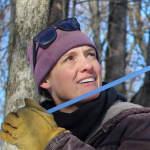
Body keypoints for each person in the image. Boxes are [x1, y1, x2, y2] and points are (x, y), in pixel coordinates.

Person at [1, 18, 150, 150]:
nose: (88, 65)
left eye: (90, 55)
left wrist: (53, 143)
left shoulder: (139, 124)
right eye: (69, 59)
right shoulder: (29, 136)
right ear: (45, 80)